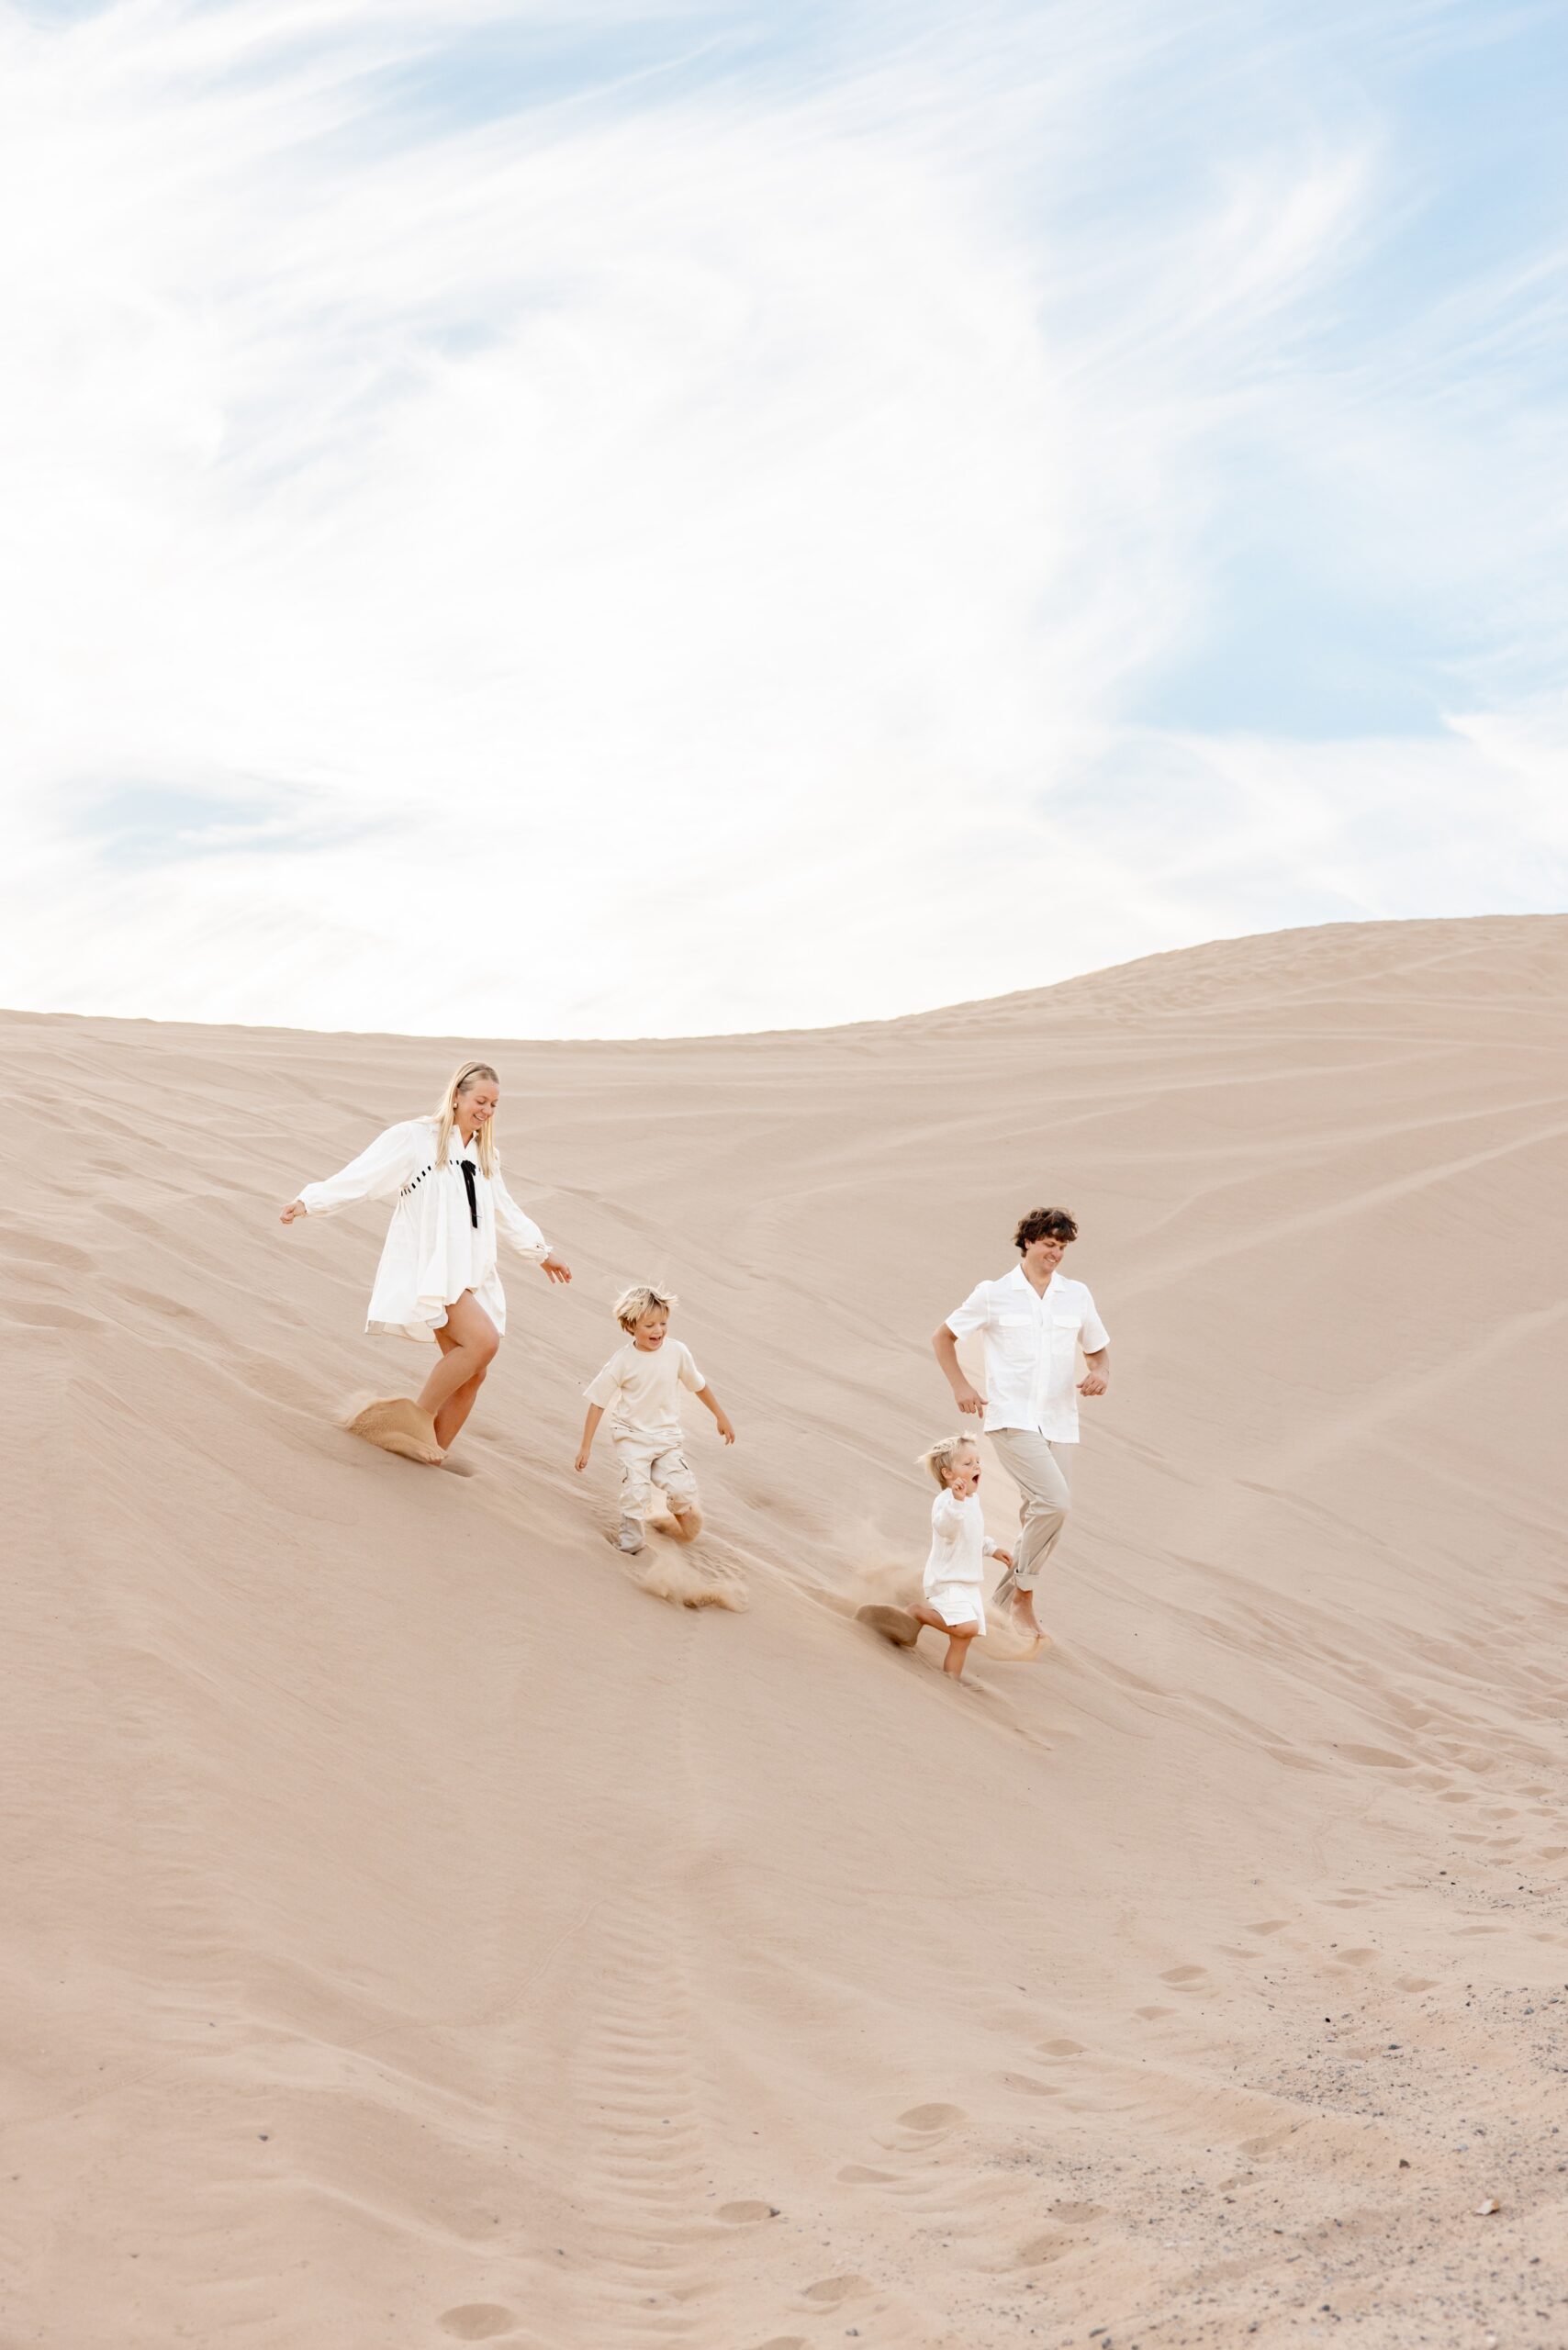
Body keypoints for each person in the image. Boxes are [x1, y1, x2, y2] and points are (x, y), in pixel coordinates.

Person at [280, 1058, 571, 1462]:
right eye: (480, 1101)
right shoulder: (416, 1139)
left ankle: (427, 1451)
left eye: (494, 1105)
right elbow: (363, 1176)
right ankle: (413, 1419)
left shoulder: (486, 1155)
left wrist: (541, 1253)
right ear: (456, 1096)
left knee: (474, 1374)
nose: (486, 1111)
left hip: (470, 1273)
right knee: (483, 1343)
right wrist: (308, 1202)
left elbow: (505, 1209)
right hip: (431, 1269)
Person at [932, 1205, 1110, 1638]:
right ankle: (1024, 1598)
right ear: (1028, 1242)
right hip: (1011, 1418)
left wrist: (1101, 1372)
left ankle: (995, 1605)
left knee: (1044, 1513)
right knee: (1055, 1502)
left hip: (1060, 1422)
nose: (1056, 1254)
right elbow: (943, 1338)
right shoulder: (994, 1293)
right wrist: (961, 1386)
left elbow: (1097, 1348)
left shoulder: (1077, 1295)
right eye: (1050, 1244)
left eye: (1063, 1247)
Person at [575, 1283, 735, 1553]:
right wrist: (585, 1446)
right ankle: (630, 1545)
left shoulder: (677, 1352)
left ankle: (679, 1512)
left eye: (662, 1323)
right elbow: (598, 1403)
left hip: (666, 1438)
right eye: (649, 1325)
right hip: (631, 1437)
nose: (658, 1331)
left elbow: (698, 1385)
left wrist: (721, 1416)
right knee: (636, 1493)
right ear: (630, 1325)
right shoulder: (622, 1361)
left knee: (682, 1489)